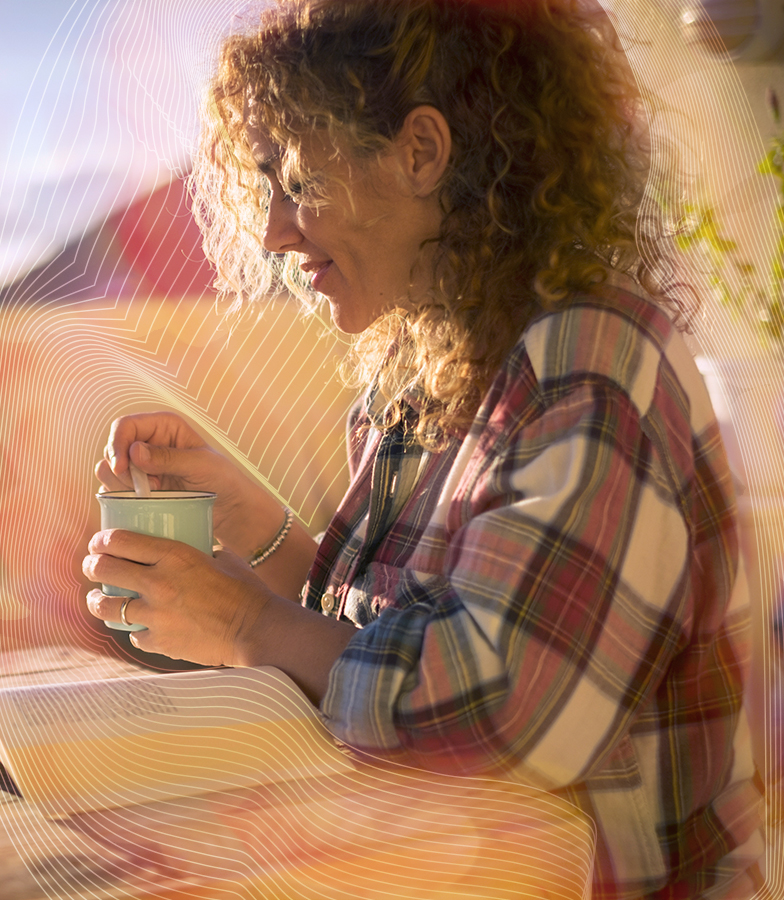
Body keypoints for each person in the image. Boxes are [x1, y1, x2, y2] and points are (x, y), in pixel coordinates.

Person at [82, 0, 766, 896]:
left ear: (421, 153)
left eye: (296, 181)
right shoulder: (419, 377)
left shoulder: (591, 366)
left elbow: (507, 713)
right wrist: (265, 533)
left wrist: (246, 623)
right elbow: (380, 636)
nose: (272, 233)